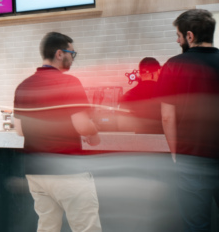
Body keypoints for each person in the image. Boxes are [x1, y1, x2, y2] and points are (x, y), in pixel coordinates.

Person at [13, 32, 102, 232]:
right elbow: (83, 126)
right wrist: (94, 133)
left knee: (48, 227)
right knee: (86, 227)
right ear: (59, 54)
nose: (73, 58)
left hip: (36, 170)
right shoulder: (69, 82)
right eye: (72, 53)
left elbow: (20, 130)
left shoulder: (23, 86)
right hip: (66, 168)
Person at [158, 9, 219, 232]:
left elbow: (167, 116)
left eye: (178, 35)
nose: (177, 40)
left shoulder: (173, 66)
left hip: (192, 159)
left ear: (190, 36)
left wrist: (176, 154)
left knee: (197, 226)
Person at [119, 57, 163, 134]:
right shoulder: (165, 93)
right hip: (162, 137)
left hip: (138, 138)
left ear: (140, 73)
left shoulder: (128, 96)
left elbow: (122, 125)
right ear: (158, 71)